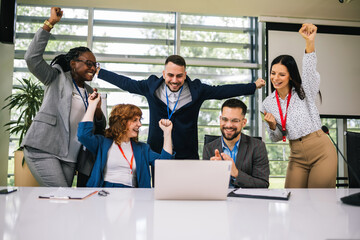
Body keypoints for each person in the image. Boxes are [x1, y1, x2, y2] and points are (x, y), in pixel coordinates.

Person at [97, 55, 265, 159]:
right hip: (158, 151)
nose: (175, 80)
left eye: (179, 76)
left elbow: (223, 90)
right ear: (164, 74)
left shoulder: (197, 90)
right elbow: (126, 83)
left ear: (185, 75)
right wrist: (100, 72)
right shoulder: (151, 87)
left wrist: (253, 86)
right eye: (170, 75)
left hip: (187, 152)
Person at [22, 7, 105, 187]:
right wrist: (49, 23)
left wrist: (97, 111)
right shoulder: (56, 77)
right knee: (62, 196)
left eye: (95, 64)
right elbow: (31, 58)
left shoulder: (91, 91)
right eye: (88, 64)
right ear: (74, 64)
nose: (93, 68)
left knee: (59, 202)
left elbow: (99, 127)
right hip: (44, 149)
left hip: (70, 156)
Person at [262, 23, 337, 188]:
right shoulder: (268, 103)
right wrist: (273, 125)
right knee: (293, 201)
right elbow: (275, 138)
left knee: (319, 201)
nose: (276, 78)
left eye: (282, 74)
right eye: (273, 73)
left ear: (290, 76)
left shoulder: (304, 91)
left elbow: (309, 71)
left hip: (321, 151)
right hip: (296, 155)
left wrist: (310, 43)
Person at [78, 92, 174, 188]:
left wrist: (167, 132)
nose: (139, 124)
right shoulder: (102, 143)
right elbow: (83, 135)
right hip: (104, 193)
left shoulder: (143, 149)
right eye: (135, 120)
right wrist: (92, 105)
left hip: (133, 196)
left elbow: (164, 163)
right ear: (122, 123)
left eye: (140, 120)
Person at [203, 99, 269, 188]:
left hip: (246, 200)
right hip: (220, 199)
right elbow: (206, 185)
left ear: (243, 122)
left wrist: (236, 173)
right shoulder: (209, 148)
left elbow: (263, 184)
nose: (229, 125)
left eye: (235, 120)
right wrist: (214, 173)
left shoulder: (257, 146)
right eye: (225, 119)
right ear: (220, 119)